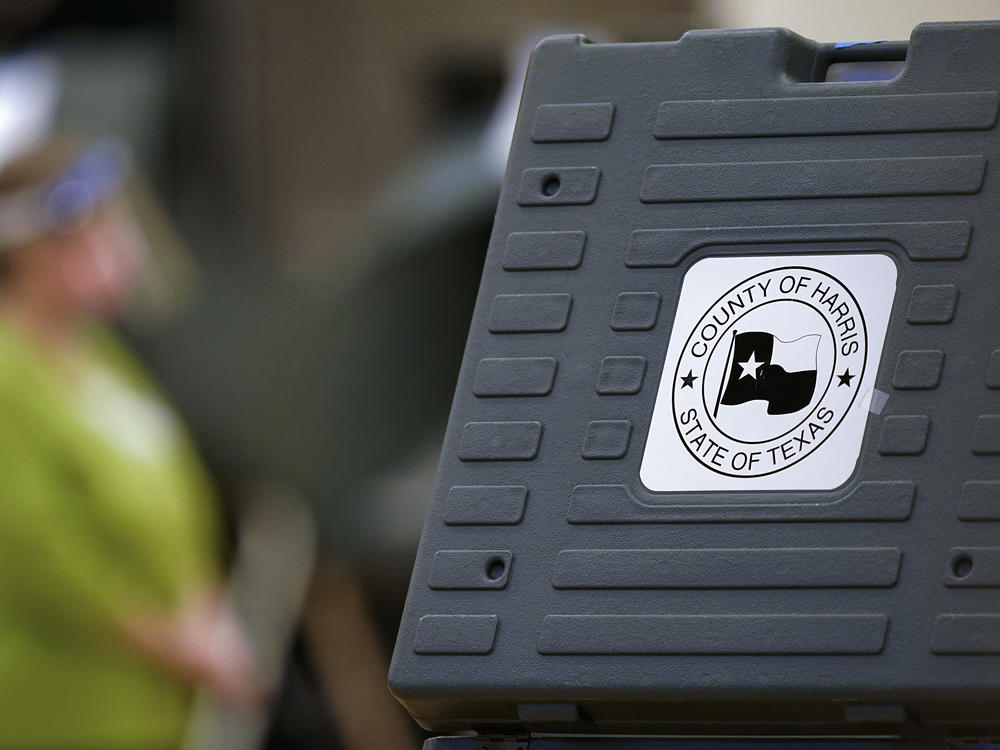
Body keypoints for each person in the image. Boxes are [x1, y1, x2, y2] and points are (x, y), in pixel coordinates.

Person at [0, 140, 262, 748]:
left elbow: (173, 487)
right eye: (98, 229)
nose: (122, 247)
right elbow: (38, 553)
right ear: (36, 247)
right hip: (69, 709)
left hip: (160, 702)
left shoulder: (97, 354)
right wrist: (178, 644)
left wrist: (207, 605)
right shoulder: (9, 371)